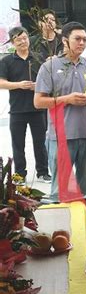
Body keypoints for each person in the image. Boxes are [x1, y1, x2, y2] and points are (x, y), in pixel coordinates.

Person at [34, 21, 86, 203]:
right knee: (61, 189)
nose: (82, 43)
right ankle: (63, 231)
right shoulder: (49, 67)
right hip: (60, 137)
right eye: (77, 39)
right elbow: (39, 102)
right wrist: (67, 99)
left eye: (84, 39)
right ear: (65, 41)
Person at [0, 27, 51, 183]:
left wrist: (39, 86)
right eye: (18, 39)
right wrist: (19, 85)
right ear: (12, 42)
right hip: (17, 110)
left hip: (38, 108)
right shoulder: (6, 61)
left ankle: (43, 171)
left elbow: (49, 81)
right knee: (18, 144)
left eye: (25, 38)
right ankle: (20, 174)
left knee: (40, 142)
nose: (23, 41)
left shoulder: (39, 58)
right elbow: (1, 83)